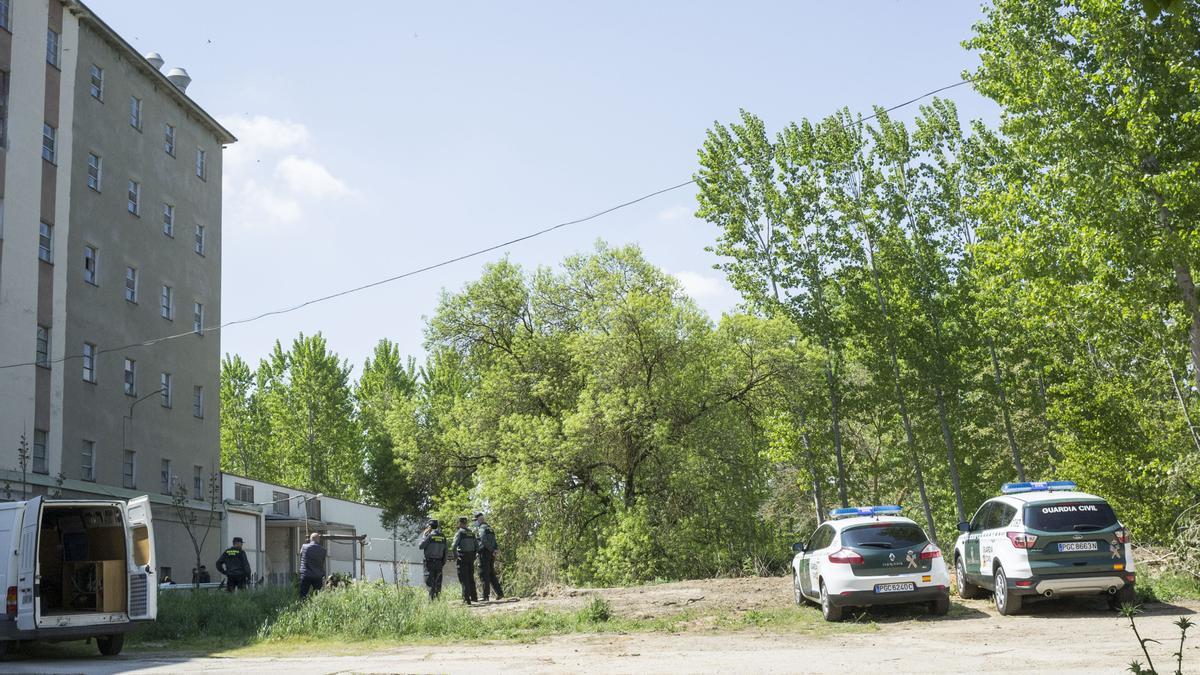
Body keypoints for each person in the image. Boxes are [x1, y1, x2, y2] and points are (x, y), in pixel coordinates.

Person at [474, 512, 504, 601]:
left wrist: (491, 550)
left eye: (475, 520)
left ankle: (485, 596)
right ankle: (500, 593)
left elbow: (483, 540)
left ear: (479, 520)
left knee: (484, 574)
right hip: (491, 554)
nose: (475, 523)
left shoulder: (482, 528)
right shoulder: (490, 529)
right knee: (491, 574)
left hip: (484, 553)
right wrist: (495, 550)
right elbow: (495, 541)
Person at [451, 517, 479, 605]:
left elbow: (453, 546)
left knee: (463, 578)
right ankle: (474, 597)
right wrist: (474, 555)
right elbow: (477, 546)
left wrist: (456, 556)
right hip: (471, 557)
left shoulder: (459, 533)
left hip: (462, 557)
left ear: (460, 523)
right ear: (466, 523)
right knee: (470, 577)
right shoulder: (471, 533)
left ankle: (466, 599)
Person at [418, 519, 447, 600]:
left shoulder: (429, 536)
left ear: (429, 526)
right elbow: (446, 551)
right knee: (438, 582)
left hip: (429, 563)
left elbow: (421, 546)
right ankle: (438, 600)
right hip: (439, 563)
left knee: (430, 582)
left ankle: (431, 602)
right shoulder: (442, 536)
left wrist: (424, 535)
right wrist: (443, 562)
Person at [299, 532, 327, 599]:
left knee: (303, 594)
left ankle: (302, 607)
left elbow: (301, 554)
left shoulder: (304, 546)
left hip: (306, 574)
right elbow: (322, 561)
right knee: (317, 595)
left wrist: (307, 543)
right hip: (317, 575)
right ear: (318, 539)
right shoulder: (323, 550)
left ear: (310, 539)